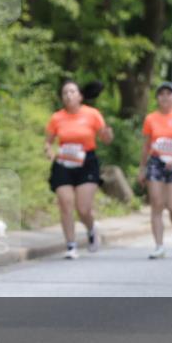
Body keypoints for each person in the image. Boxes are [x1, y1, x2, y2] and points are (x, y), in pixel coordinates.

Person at [44, 79, 114, 258]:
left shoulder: (92, 114)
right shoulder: (57, 117)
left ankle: (91, 228)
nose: (68, 95)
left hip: (86, 162)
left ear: (80, 96)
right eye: (65, 92)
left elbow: (106, 139)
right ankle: (71, 245)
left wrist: (108, 134)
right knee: (65, 203)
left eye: (72, 91)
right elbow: (48, 142)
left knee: (83, 208)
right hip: (64, 162)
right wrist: (49, 151)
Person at [138, 82, 172, 259]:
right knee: (157, 203)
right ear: (157, 98)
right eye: (161, 94)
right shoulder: (151, 118)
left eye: (169, 94)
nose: (165, 97)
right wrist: (142, 168)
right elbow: (146, 145)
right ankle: (159, 245)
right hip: (156, 162)